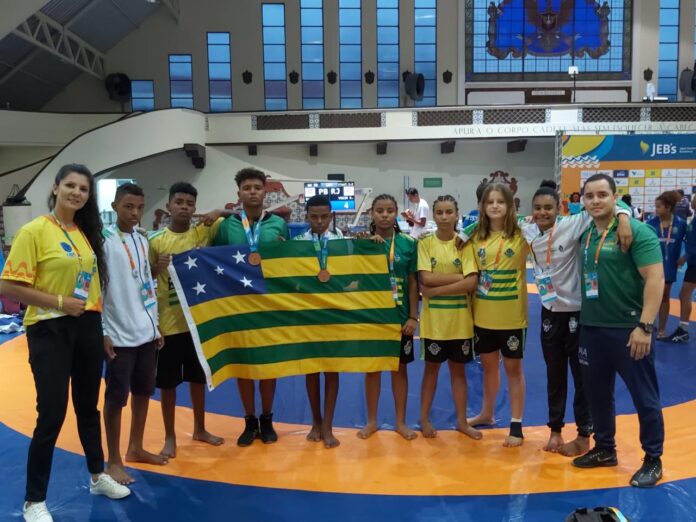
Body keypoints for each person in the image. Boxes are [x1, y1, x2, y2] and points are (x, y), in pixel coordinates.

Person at [0, 164, 130, 522]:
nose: (76, 193)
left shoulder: (84, 233)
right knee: (52, 413)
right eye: (70, 185)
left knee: (88, 407)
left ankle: (97, 476)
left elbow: (92, 287)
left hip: (86, 326)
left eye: (83, 189)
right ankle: (34, 501)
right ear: (56, 188)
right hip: (50, 329)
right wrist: (60, 303)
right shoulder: (34, 231)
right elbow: (8, 286)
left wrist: (101, 329)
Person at [523, 180, 632, 456]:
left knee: (582, 377)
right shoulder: (527, 227)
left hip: (576, 313)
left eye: (548, 208)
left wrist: (624, 219)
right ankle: (555, 431)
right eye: (538, 208)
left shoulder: (572, 223)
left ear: (559, 209)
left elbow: (615, 203)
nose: (543, 213)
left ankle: (584, 433)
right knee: (554, 374)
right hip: (549, 312)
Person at [572, 173, 665, 488]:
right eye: (589, 196)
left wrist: (645, 326)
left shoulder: (637, 231)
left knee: (644, 396)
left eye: (602, 195)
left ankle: (653, 458)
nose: (595, 201)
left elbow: (655, 279)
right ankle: (605, 448)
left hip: (629, 329)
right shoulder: (585, 231)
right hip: (591, 327)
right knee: (597, 393)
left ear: (615, 197)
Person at [149, 182, 227, 458]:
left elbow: (235, 215)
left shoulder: (203, 232)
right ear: (168, 206)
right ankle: (170, 436)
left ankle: (200, 428)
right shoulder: (156, 241)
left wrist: (218, 211)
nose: (184, 207)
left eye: (189, 203)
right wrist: (154, 267)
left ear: (195, 208)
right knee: (168, 384)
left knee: (198, 379)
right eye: (179, 202)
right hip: (169, 325)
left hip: (197, 323)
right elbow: (145, 278)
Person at [213, 168, 288, 446]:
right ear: (239, 193)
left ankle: (267, 419)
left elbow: (289, 263)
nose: (253, 192)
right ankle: (249, 420)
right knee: (243, 365)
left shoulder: (278, 224)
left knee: (268, 364)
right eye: (247, 188)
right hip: (238, 305)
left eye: (257, 187)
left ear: (265, 192)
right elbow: (215, 263)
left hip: (270, 304)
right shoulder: (226, 226)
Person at [101, 183, 166, 485]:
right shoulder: (102, 241)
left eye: (139, 207)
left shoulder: (142, 240)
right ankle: (113, 459)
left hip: (145, 333)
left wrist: (155, 325)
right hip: (119, 335)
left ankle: (136, 447)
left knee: (143, 392)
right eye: (128, 207)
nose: (135, 213)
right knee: (116, 398)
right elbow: (96, 289)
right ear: (115, 206)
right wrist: (102, 331)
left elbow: (147, 285)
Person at [467, 183, 529, 447]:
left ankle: (516, 425)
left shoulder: (523, 233)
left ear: (510, 205)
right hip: (483, 316)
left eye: (500, 201)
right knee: (489, 367)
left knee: (514, 369)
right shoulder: (474, 235)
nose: (494, 206)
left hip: (512, 317)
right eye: (489, 201)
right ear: (482, 206)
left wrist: (622, 213)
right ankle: (487, 413)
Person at [417, 195, 481, 440]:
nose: (444, 217)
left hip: (460, 322)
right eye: (440, 212)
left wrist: (435, 291)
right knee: (431, 371)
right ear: (433, 215)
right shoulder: (425, 243)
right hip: (434, 323)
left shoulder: (464, 244)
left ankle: (462, 422)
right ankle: (424, 419)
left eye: (449, 212)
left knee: (458, 372)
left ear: (457, 214)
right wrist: (459, 277)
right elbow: (426, 278)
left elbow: (472, 282)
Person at [357, 194, 419, 441]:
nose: (384, 215)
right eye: (380, 211)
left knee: (399, 369)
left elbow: (413, 283)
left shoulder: (408, 244)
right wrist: (366, 245)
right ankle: (371, 421)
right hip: (373, 317)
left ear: (396, 214)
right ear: (372, 213)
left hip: (400, 318)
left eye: (390, 211)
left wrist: (413, 317)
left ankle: (400, 422)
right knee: (373, 370)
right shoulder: (365, 243)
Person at [294, 195, 343, 448]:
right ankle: (315, 421)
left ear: (331, 216)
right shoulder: (296, 244)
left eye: (324, 216)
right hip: (307, 315)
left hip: (333, 314)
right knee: (312, 369)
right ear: (306, 217)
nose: (320, 221)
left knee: (332, 369)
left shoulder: (342, 242)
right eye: (314, 217)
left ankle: (328, 425)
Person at [645, 191, 687, 340]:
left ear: (668, 207)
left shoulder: (681, 224)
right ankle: (649, 325)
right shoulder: (650, 224)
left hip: (669, 266)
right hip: (651, 266)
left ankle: (662, 329)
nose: (655, 209)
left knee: (664, 296)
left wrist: (685, 256)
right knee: (649, 297)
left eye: (658, 207)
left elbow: (691, 241)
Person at [670, 195, 696, 343]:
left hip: (694, 263)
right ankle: (683, 329)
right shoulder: (694, 218)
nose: (691, 201)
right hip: (693, 262)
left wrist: (686, 257)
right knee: (684, 294)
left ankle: (683, 330)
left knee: (684, 294)